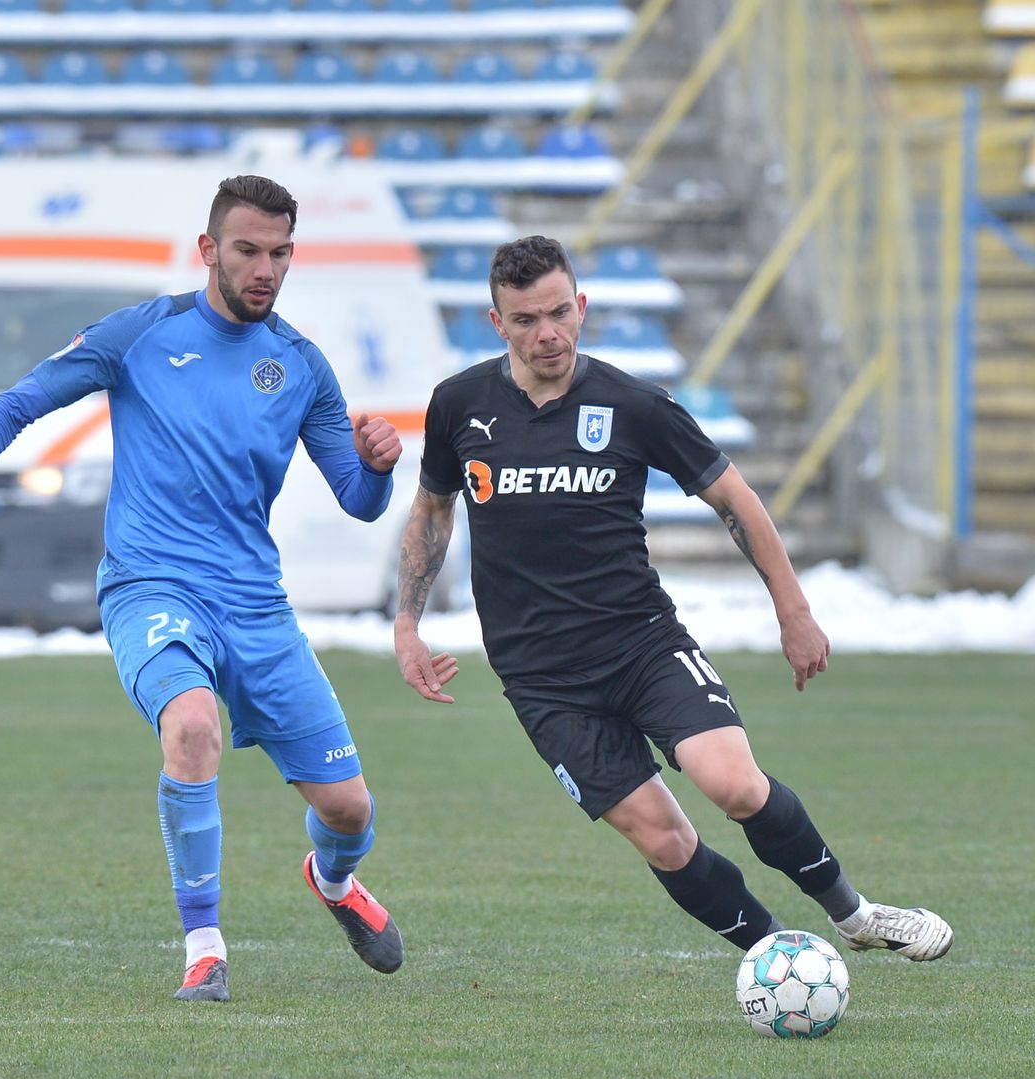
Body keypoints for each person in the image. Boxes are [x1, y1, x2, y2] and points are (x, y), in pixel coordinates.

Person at [0, 174, 405, 1002]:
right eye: (247, 250)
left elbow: (356, 499)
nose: (265, 269)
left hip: (256, 606)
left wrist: (382, 470)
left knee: (351, 810)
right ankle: (204, 946)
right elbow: (22, 400)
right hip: (151, 584)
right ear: (209, 249)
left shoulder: (302, 367)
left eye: (280, 253)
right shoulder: (143, 333)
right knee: (192, 725)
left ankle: (332, 881)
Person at [393, 235, 952, 962]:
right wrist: (407, 624)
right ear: (497, 323)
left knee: (736, 786)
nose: (548, 333)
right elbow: (433, 509)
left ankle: (855, 914)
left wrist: (794, 610)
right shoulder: (459, 404)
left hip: (643, 647)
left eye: (560, 312)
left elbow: (735, 500)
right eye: (526, 320)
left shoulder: (633, 404)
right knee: (664, 838)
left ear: (582, 306)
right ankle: (779, 957)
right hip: (543, 680)